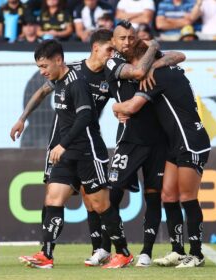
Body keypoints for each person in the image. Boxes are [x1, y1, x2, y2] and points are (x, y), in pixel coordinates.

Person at [16, 39, 133, 269]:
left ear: (58, 60)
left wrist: (64, 144)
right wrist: (22, 119)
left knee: (100, 205)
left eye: (44, 66)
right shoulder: (57, 81)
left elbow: (85, 116)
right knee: (52, 199)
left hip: (87, 151)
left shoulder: (76, 83)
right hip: (66, 153)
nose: (42, 72)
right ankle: (46, 255)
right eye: (39, 67)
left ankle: (123, 252)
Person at [111, 40, 211, 268]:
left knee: (188, 198)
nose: (133, 71)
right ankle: (178, 250)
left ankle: (196, 254)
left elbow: (130, 108)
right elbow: (177, 55)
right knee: (168, 196)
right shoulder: (162, 67)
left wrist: (114, 107)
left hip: (190, 141)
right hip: (174, 143)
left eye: (132, 64)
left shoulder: (156, 76)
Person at [105, 20, 186, 267]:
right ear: (113, 42)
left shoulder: (147, 55)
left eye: (131, 37)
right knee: (112, 195)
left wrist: (156, 61)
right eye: (122, 38)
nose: (127, 42)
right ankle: (119, 250)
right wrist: (153, 48)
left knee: (154, 197)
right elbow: (139, 72)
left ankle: (146, 252)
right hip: (129, 139)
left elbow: (180, 54)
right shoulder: (113, 62)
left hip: (159, 140)